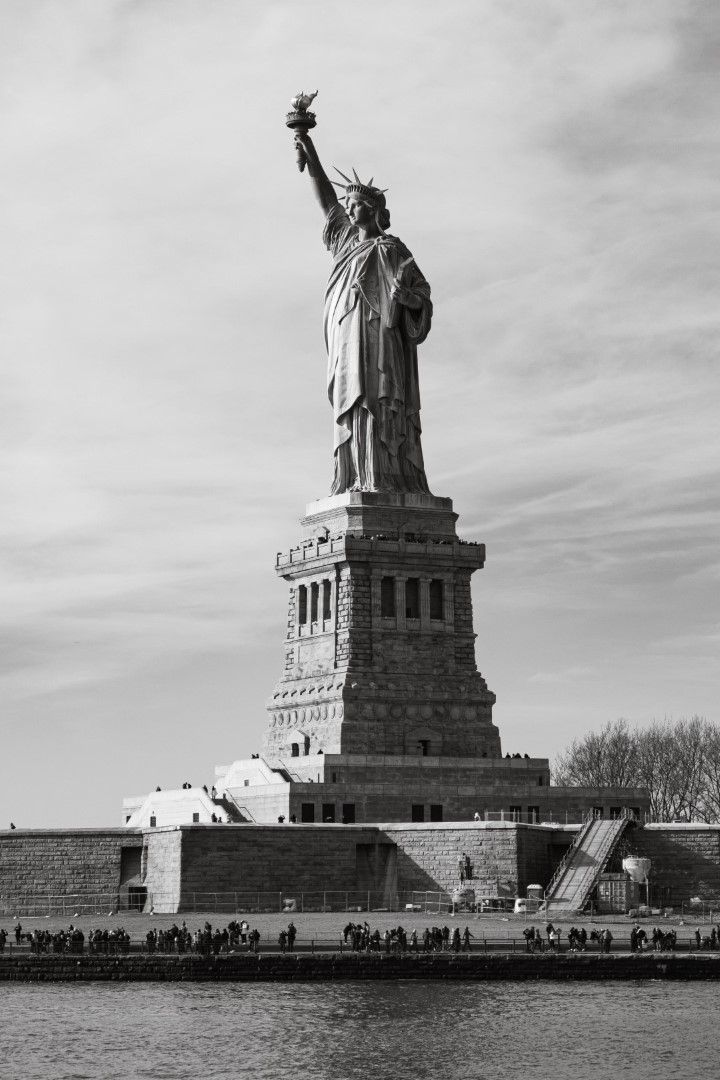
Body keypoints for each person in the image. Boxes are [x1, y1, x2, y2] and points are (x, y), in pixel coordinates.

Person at [293, 130, 432, 495]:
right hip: (347, 338)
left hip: (382, 338)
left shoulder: (391, 249)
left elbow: (422, 295)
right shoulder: (343, 245)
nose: (349, 208)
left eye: (355, 204)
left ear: (371, 210)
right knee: (353, 400)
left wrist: (409, 299)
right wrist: (311, 155)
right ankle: (356, 475)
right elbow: (327, 203)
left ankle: (387, 474)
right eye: (348, 204)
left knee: (381, 400)